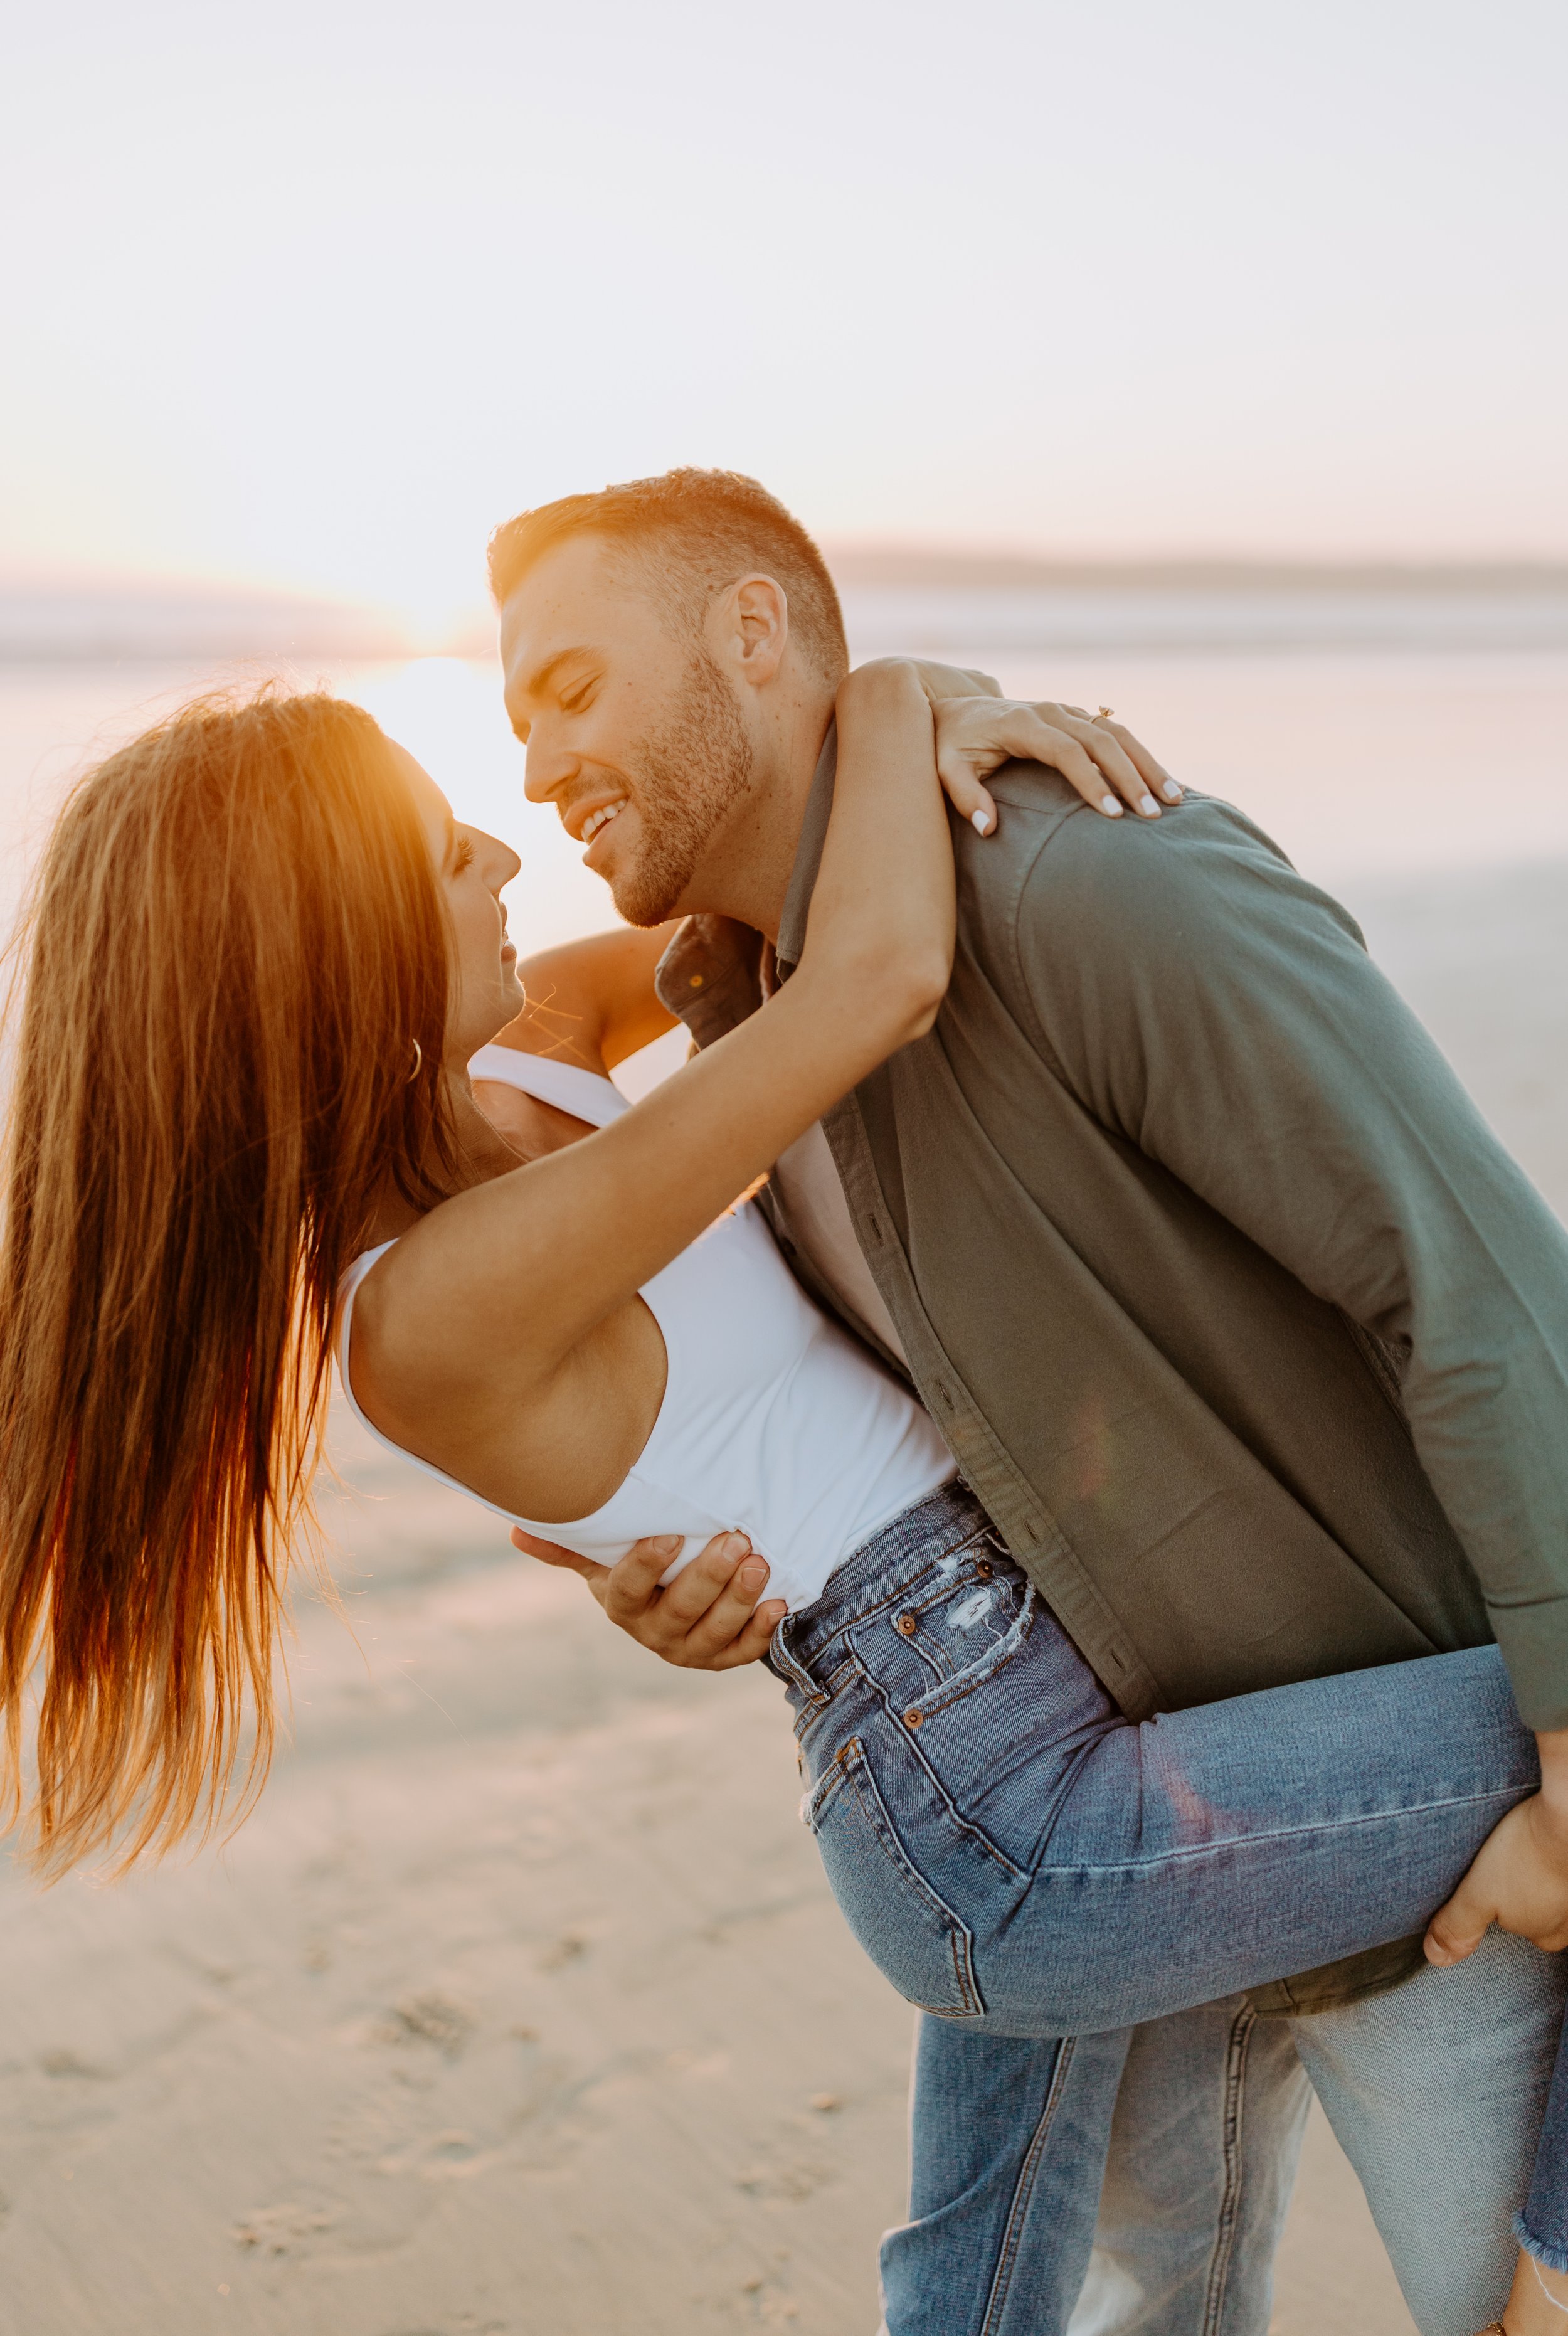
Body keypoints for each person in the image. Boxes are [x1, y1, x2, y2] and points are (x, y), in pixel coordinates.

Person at [483, 467, 1568, 2336]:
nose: (531, 769)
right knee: (1171, 2299)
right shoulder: (741, 1021)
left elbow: (1472, 1287)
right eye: (513, 721)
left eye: (570, 689)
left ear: (752, 634)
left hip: (1421, 1829)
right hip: (1141, 1832)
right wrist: (669, 1573)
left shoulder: (1090, 882)